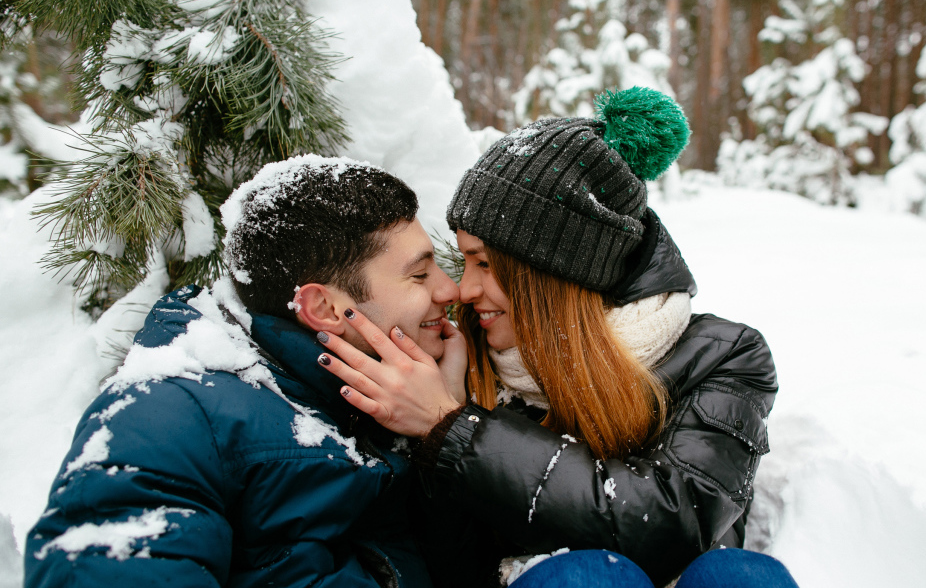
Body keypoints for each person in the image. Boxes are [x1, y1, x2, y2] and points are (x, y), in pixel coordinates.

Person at [317, 88, 795, 587]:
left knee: (739, 577)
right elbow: (454, 569)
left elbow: (672, 524)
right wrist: (442, 428)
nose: (463, 288)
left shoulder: (721, 355)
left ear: (557, 273)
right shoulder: (462, 357)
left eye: (486, 264)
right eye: (465, 260)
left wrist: (453, 427)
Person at [25, 155, 465, 588]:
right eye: (420, 274)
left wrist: (445, 430)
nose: (451, 288)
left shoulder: (391, 393)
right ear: (325, 308)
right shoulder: (169, 415)